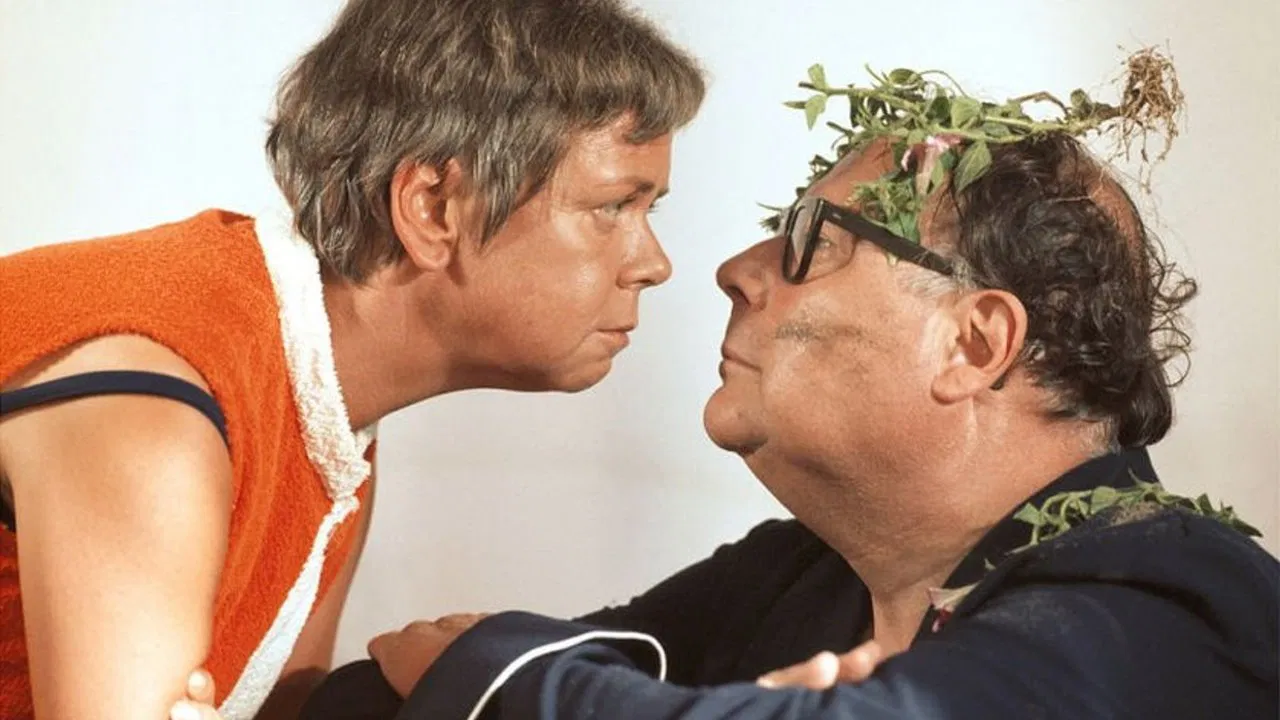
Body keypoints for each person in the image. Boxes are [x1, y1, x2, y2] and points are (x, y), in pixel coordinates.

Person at [300, 61, 1279, 719]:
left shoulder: (1175, 592)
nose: (733, 270)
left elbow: (476, 677)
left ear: (973, 342)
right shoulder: (797, 578)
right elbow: (372, 704)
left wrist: (497, 670)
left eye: (812, 244)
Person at [0, 0, 705, 717]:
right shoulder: (160, 402)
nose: (652, 264)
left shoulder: (330, 428)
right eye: (613, 206)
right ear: (433, 208)